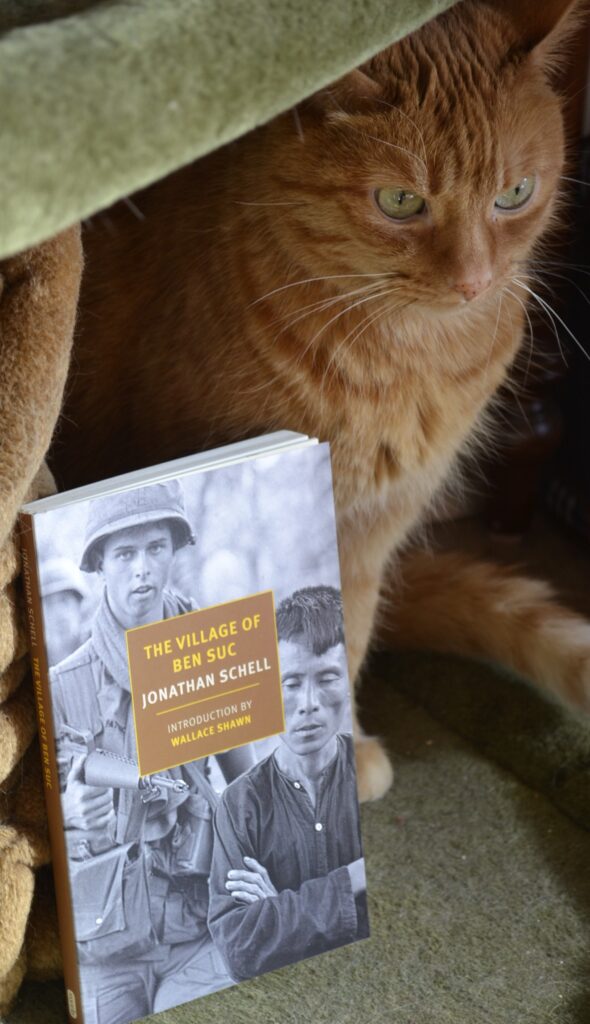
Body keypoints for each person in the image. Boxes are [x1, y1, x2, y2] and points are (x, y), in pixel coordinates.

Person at [50, 482, 253, 1024]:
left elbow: (249, 786)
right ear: (99, 563)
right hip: (107, 943)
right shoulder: (64, 686)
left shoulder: (210, 656)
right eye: (124, 554)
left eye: (155, 548)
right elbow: (36, 824)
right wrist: (69, 812)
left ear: (174, 550)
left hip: (198, 924)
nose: (142, 569)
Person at [207, 585, 369, 982]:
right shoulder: (240, 803)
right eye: (291, 682)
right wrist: (353, 879)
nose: (308, 703)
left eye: (327, 677)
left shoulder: (370, 773)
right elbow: (241, 950)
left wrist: (278, 910)